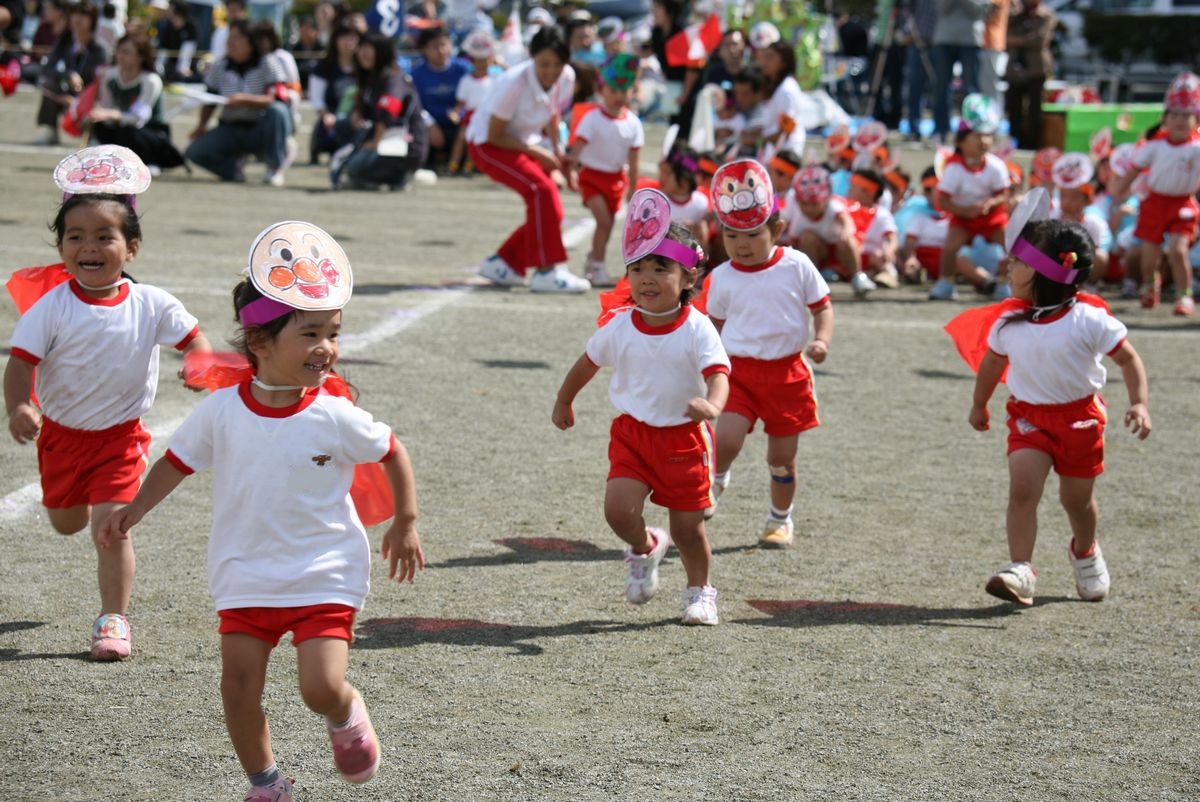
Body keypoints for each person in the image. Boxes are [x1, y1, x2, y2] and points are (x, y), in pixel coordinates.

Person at [99, 221, 424, 802]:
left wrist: (405, 521)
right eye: (310, 333)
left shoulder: (335, 413)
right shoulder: (222, 411)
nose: (326, 347)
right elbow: (176, 460)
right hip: (245, 571)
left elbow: (391, 450)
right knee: (238, 689)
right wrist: (135, 509)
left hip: (324, 570)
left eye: (333, 333)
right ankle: (267, 783)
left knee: (319, 687)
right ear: (260, 343)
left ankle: (346, 710)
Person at [3, 147, 211, 661]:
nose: (89, 246)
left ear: (131, 248)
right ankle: (72, 514)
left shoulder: (152, 303)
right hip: (61, 439)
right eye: (75, 236)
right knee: (66, 521)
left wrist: (198, 364)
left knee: (110, 527)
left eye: (104, 236)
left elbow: (195, 341)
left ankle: (112, 618)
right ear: (61, 246)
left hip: (120, 439)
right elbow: (20, 365)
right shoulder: (50, 307)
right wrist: (19, 408)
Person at [553, 189, 730, 625]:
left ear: (689, 278)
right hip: (632, 435)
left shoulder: (697, 327)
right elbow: (588, 361)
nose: (647, 278)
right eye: (638, 268)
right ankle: (645, 546)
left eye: (661, 268)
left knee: (689, 529)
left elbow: (719, 374)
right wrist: (564, 398)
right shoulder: (619, 326)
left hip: (684, 440)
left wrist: (712, 405)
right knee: (617, 510)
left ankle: (700, 592)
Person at [966, 217, 1150, 606]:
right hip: (1028, 418)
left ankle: (1084, 551)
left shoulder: (1089, 319)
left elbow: (1129, 360)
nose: (1008, 266)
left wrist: (1139, 403)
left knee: (1077, 501)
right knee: (1022, 491)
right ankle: (1021, 570)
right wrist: (979, 403)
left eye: (1017, 260)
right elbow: (991, 366)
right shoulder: (1009, 322)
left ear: (1043, 270)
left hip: (1080, 420)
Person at [705, 159, 834, 547]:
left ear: (777, 229)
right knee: (725, 439)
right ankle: (718, 476)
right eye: (731, 236)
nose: (741, 245)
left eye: (752, 235)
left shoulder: (797, 265)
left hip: (788, 376)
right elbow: (714, 328)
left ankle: (780, 519)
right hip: (738, 373)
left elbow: (822, 307)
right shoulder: (722, 276)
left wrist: (822, 340)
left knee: (781, 461)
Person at [467, 26, 590, 293]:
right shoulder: (514, 83)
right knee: (540, 190)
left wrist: (558, 153)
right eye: (544, 63)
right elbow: (495, 135)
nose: (551, 71)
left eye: (558, 63)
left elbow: (553, 112)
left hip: (521, 142)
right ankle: (547, 271)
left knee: (552, 208)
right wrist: (539, 153)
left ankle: (504, 263)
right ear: (532, 58)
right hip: (487, 144)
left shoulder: (566, 77)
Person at [1111, 73, 1200, 316]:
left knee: (1178, 250)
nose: (1180, 120)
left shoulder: (1196, 148)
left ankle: (1184, 295)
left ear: (1196, 119)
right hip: (1154, 203)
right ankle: (1150, 285)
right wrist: (1119, 193)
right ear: (1165, 119)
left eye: (1187, 115)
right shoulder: (1154, 146)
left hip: (1182, 204)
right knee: (1149, 256)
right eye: (1175, 115)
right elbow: (1134, 170)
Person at [566, 53, 643, 288]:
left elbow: (634, 157)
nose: (618, 96)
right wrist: (570, 170)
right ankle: (598, 264)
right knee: (602, 220)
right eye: (613, 91)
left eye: (624, 91)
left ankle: (593, 258)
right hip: (591, 177)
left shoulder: (633, 123)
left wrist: (632, 187)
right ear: (602, 91)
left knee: (608, 223)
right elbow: (577, 148)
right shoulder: (592, 118)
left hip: (616, 180)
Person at [185, 19, 291, 186]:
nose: (230, 42)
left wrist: (245, 100)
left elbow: (276, 97)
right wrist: (201, 126)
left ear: (251, 41)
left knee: (278, 111)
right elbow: (210, 100)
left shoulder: (268, 62)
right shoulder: (220, 66)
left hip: (260, 128)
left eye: (237, 38)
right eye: (229, 37)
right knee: (195, 151)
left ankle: (275, 166)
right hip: (230, 127)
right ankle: (233, 169)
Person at [929, 93, 1009, 300]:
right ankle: (945, 282)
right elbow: (943, 201)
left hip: (991, 217)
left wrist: (990, 203)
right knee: (950, 247)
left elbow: (1003, 194)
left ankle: (1006, 283)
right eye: (977, 136)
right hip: (963, 218)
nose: (984, 141)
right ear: (961, 142)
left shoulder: (996, 165)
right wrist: (965, 211)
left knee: (1013, 244)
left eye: (987, 135)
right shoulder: (954, 169)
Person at [338, 31, 429, 191]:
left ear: (381, 52)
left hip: (404, 144)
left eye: (369, 48)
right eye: (361, 48)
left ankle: (400, 175)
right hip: (385, 138)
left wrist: (374, 143)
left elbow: (388, 112)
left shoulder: (393, 77)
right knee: (342, 129)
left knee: (355, 168)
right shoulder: (371, 78)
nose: (363, 53)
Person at [88, 32, 187, 173]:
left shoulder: (150, 80)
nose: (121, 56)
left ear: (141, 57)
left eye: (127, 52)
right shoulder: (110, 75)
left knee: (131, 133)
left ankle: (150, 161)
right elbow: (107, 106)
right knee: (101, 127)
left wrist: (112, 114)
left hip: (150, 131)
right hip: (122, 125)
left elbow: (139, 117)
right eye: (119, 50)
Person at [782, 164, 871, 295]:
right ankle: (813, 279)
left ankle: (857, 276)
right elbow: (794, 245)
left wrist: (846, 231)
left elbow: (845, 220)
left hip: (839, 250)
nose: (808, 209)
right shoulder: (799, 220)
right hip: (820, 253)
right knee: (807, 238)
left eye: (814, 204)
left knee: (846, 240)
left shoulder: (834, 206)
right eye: (804, 204)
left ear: (826, 200)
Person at [35, 2, 106, 145]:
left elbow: (100, 81)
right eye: (74, 14)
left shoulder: (99, 48)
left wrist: (79, 101)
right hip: (67, 92)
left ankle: (94, 136)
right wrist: (68, 75)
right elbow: (47, 69)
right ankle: (49, 130)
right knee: (49, 85)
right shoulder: (65, 41)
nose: (77, 19)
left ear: (93, 20)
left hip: (90, 97)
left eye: (84, 15)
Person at [411, 26, 469, 171]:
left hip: (460, 124)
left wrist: (461, 115)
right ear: (424, 50)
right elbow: (415, 106)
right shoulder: (416, 75)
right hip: (431, 126)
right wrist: (429, 124)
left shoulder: (464, 69)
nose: (441, 51)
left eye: (444, 45)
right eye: (435, 47)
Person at [931, 0, 987, 141]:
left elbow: (978, 11)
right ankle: (940, 129)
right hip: (944, 39)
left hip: (971, 39)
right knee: (941, 86)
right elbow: (941, 8)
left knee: (970, 88)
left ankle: (970, 131)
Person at [306, 20, 358, 165]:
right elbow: (316, 98)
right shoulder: (324, 67)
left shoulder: (364, 67)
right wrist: (325, 115)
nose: (348, 42)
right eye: (344, 37)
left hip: (356, 117)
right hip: (332, 116)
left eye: (353, 37)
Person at [1004, 0, 1055, 149]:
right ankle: (1014, 140)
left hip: (1036, 68)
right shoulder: (1016, 15)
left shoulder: (1046, 15)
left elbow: (1039, 40)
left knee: (1034, 108)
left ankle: (1032, 142)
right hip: (1015, 67)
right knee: (1013, 106)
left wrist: (1017, 40)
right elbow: (1006, 36)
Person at [447, 29, 494, 175]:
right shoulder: (466, 80)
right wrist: (455, 113)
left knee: (475, 142)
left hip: (486, 118)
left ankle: (469, 166)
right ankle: (453, 166)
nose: (481, 63)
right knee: (461, 138)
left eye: (484, 59)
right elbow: (461, 103)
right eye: (478, 60)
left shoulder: (495, 80)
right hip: (469, 116)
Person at [846, 168, 901, 288]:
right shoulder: (845, 209)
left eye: (854, 187)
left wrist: (889, 251)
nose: (849, 190)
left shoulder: (881, 214)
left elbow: (892, 238)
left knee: (877, 256)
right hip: (850, 254)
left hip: (872, 256)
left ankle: (887, 275)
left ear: (868, 192)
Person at [755, 41, 809, 157]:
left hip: (786, 155)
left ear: (783, 63)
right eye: (764, 57)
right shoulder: (778, 87)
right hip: (775, 151)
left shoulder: (787, 90)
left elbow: (786, 130)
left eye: (770, 58)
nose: (764, 62)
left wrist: (757, 140)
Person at [155, 0, 197, 82]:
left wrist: (183, 69)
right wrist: (159, 68)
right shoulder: (168, 26)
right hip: (169, 69)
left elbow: (188, 51)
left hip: (186, 72)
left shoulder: (191, 27)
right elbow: (164, 48)